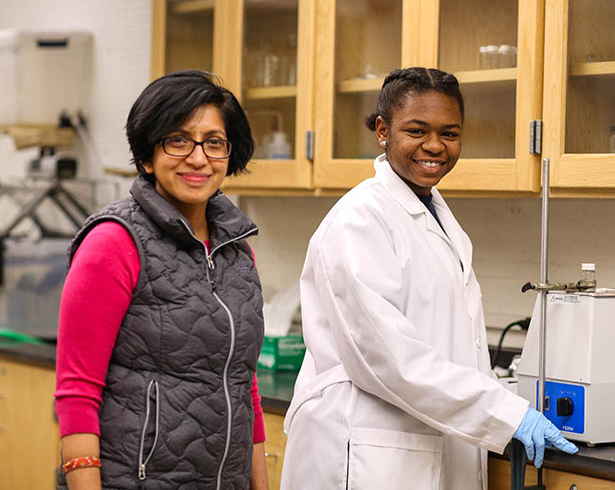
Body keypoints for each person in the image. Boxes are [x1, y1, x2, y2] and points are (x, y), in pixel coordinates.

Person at [280, 67, 577, 490]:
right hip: (364, 451)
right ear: (383, 130)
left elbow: (452, 346)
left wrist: (501, 406)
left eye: (450, 133)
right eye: (416, 131)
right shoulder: (359, 220)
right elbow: (389, 358)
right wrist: (505, 413)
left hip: (426, 442)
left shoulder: (434, 213)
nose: (435, 146)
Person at [54, 70, 268, 489]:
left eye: (214, 142)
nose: (198, 158)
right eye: (178, 140)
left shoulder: (238, 249)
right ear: (148, 156)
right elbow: (77, 393)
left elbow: (247, 389)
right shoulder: (114, 242)